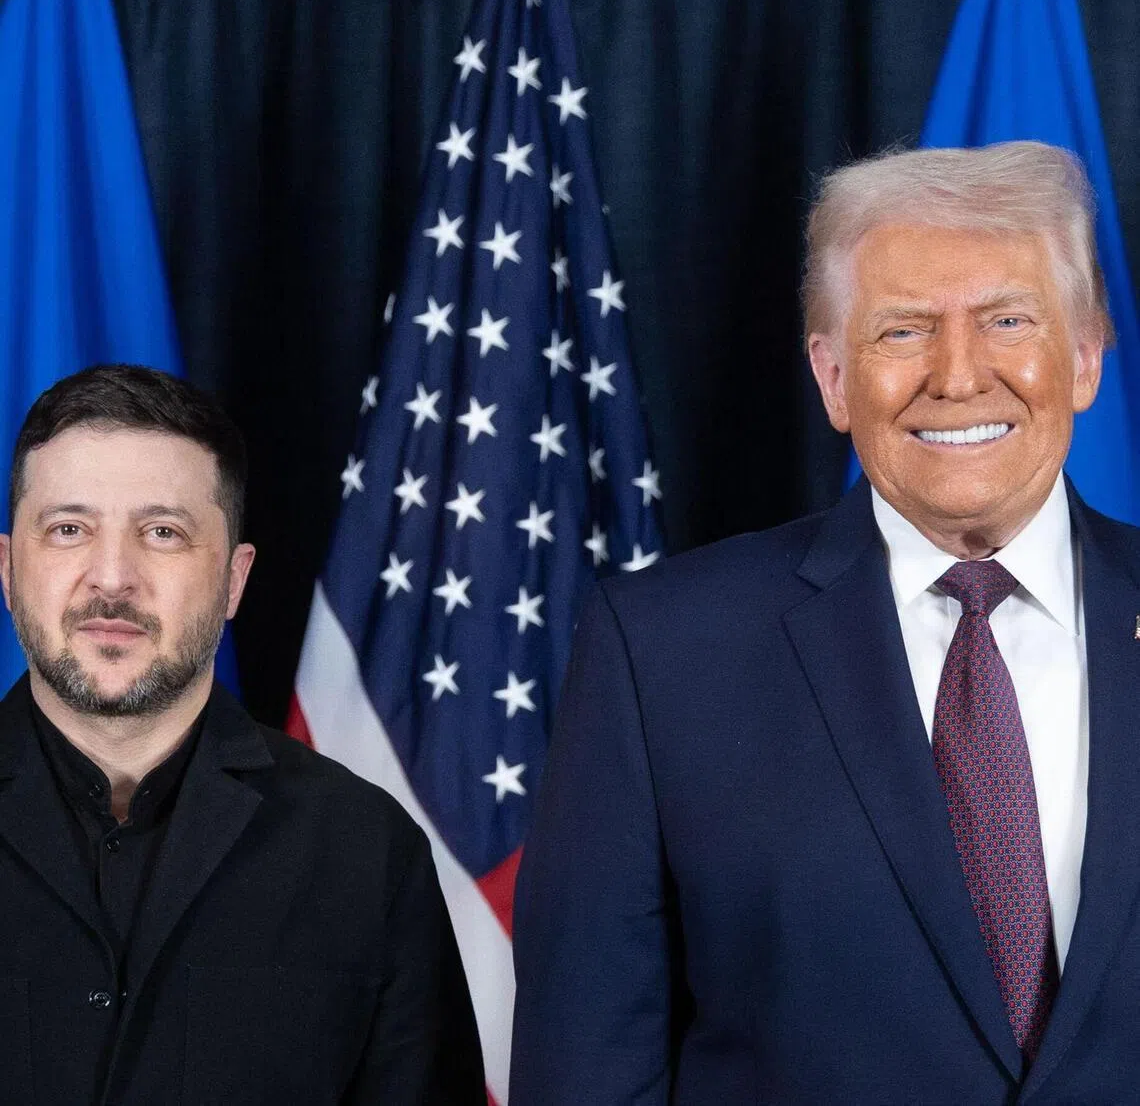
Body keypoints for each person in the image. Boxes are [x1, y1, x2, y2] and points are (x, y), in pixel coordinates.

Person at [509, 141, 1140, 1103]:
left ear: (1086, 356)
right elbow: (587, 1065)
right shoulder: (664, 650)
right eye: (903, 331)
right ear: (834, 377)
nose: (959, 376)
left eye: (1009, 320)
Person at [0, 364, 484, 1104]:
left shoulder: (366, 850)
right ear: (9, 569)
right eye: (70, 529)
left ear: (233, 579)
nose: (112, 577)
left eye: (163, 532)